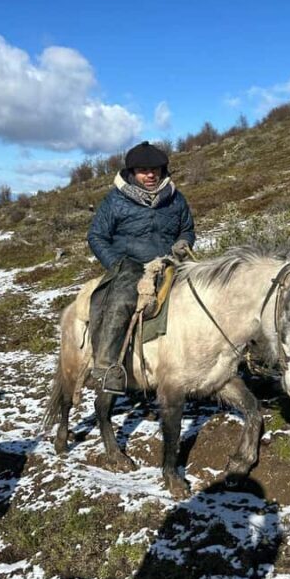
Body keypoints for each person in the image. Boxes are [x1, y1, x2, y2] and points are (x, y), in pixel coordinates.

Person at [87, 141, 195, 393]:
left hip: (169, 263)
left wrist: (182, 242)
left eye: (155, 169)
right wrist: (117, 265)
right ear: (132, 173)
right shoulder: (114, 200)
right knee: (123, 297)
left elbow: (187, 229)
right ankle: (107, 367)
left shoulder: (176, 199)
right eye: (143, 170)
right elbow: (96, 236)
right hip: (130, 265)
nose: (150, 175)